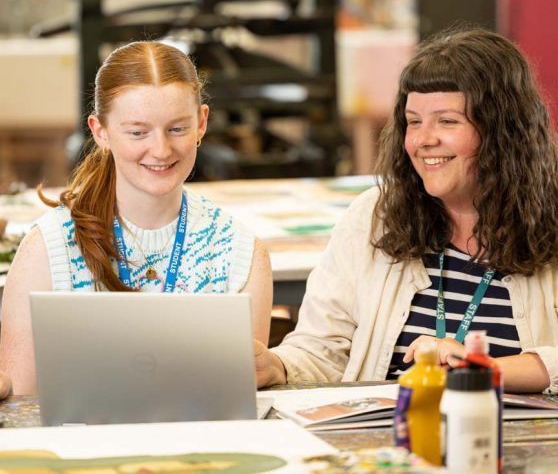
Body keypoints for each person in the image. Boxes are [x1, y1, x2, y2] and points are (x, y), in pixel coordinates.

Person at [256, 27, 558, 394]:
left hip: (515, 444)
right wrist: (276, 365)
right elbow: (322, 351)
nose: (423, 140)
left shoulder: (550, 220)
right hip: (388, 441)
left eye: (447, 121)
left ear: (503, 131)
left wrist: (482, 370)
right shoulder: (373, 218)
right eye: (414, 121)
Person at [0, 41, 272, 396]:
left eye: (177, 129)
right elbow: (22, 406)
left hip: (202, 448)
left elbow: (238, 399)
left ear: (202, 123)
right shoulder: (48, 251)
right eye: (137, 132)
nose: (160, 150)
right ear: (100, 131)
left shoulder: (239, 252)